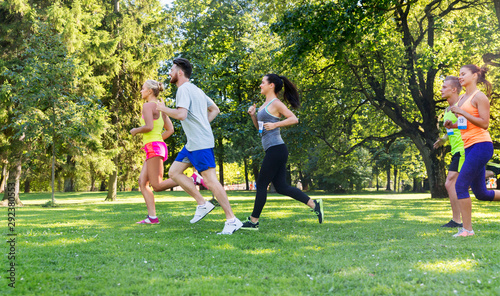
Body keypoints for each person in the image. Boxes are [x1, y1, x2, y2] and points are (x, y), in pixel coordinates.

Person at [156, 58, 242, 234]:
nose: (170, 73)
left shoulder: (183, 89)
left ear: (180, 72)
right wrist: (203, 125)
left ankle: (232, 219)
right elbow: (215, 109)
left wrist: (162, 108)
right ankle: (202, 204)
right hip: (193, 143)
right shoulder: (197, 90)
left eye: (172, 69)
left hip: (200, 143)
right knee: (174, 172)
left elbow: (181, 114)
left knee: (211, 180)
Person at [241, 74, 324, 230]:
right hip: (273, 149)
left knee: (261, 185)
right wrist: (253, 115)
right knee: (281, 187)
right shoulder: (262, 106)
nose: (260, 85)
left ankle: (253, 221)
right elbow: (260, 130)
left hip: (276, 149)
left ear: (271, 85)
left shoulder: (276, 103)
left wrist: (276, 125)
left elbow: (294, 119)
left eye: (262, 83)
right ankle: (314, 204)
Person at [445, 64, 500, 237]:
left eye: (463, 74)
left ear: (475, 76)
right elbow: (464, 124)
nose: (460, 77)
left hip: (481, 146)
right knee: (481, 193)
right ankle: (467, 229)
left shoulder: (479, 97)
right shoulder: (462, 98)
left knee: (461, 185)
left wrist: (461, 111)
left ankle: (467, 230)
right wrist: (452, 125)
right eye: (459, 74)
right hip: (468, 147)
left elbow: (484, 123)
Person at [130, 79, 177, 224]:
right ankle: (152, 218)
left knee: (156, 185)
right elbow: (170, 130)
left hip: (154, 147)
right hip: (157, 146)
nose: (141, 91)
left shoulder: (147, 106)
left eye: (143, 88)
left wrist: (136, 130)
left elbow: (149, 127)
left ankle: (190, 180)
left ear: (150, 91)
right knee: (142, 182)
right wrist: (155, 142)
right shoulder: (160, 107)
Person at [433, 76, 465, 228]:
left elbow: (466, 125)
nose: (441, 89)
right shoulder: (447, 110)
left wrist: (454, 125)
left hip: (464, 148)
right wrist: (444, 140)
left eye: (444, 87)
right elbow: (451, 130)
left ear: (454, 90)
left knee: (450, 182)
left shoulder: (462, 105)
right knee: (480, 191)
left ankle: (457, 220)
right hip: (456, 150)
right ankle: (458, 220)